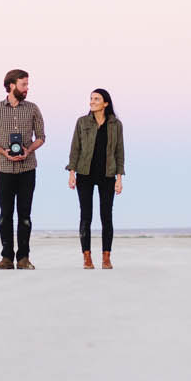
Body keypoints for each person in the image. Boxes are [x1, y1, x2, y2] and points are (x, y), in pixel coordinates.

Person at [0, 68, 44, 270]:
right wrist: (3, 152)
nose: (27, 88)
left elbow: (41, 137)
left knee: (25, 215)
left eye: (27, 84)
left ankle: (24, 258)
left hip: (28, 168)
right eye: (23, 84)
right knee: (5, 214)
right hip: (4, 169)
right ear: (11, 85)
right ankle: (6, 257)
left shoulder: (33, 108)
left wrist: (29, 150)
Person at [66, 87, 125, 269]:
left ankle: (106, 257)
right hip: (85, 174)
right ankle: (87, 257)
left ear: (105, 103)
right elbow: (75, 148)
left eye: (96, 99)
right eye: (91, 98)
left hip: (107, 175)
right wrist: (72, 173)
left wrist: (119, 178)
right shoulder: (82, 122)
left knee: (106, 216)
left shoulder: (116, 124)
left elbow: (119, 152)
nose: (92, 101)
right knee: (86, 216)